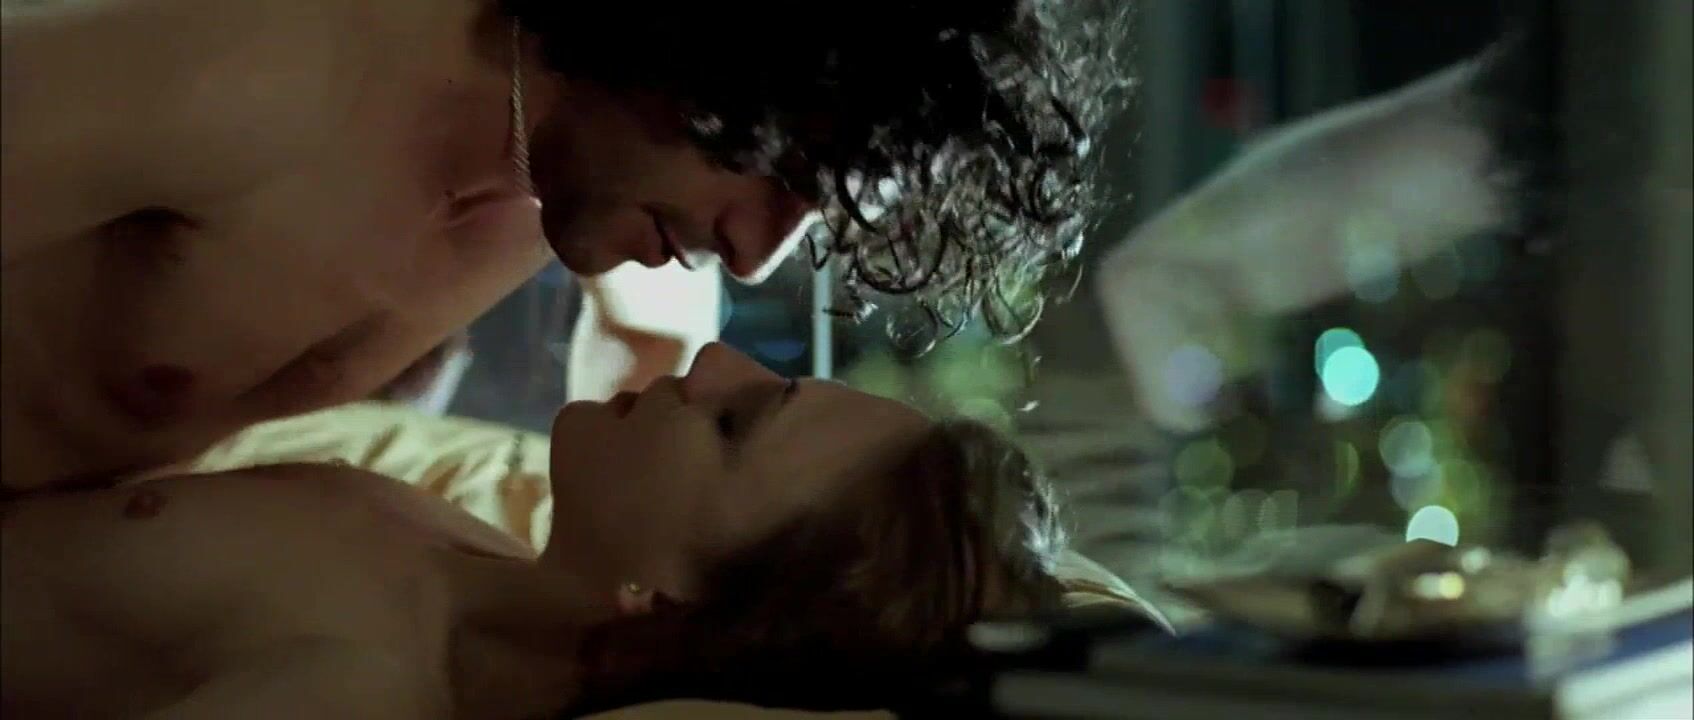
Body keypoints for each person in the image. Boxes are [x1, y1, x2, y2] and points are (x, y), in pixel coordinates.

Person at [0, 0, 1130, 494]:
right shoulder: (256, 79)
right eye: (779, 170)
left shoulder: (586, 183)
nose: (753, 258)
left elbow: (651, 367)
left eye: (811, 213)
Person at [0, 344, 1162, 719]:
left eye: (735, 422)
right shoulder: (472, 556)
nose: (710, 359)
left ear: (668, 604)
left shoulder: (352, 683)